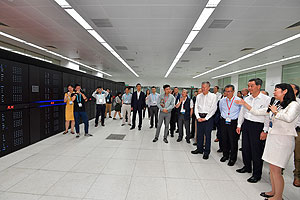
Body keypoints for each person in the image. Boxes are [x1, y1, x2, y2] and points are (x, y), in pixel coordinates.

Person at [235, 83, 300, 200]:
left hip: (283, 140)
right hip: (273, 138)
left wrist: (275, 112)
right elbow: (257, 112)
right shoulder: (278, 104)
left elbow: (289, 118)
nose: (274, 92)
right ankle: (273, 191)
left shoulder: (294, 104)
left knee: (277, 170)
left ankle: (278, 197)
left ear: (285, 91)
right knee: (272, 168)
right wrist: (244, 104)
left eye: (276, 90)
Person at [236, 78, 270, 183]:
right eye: (248, 86)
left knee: (256, 151)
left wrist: (265, 130)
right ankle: (247, 167)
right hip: (247, 124)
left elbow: (267, 116)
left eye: (251, 86)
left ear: (258, 86)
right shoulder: (247, 98)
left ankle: (256, 174)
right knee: (245, 148)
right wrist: (239, 124)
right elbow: (242, 112)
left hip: (258, 126)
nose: (249, 88)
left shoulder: (266, 99)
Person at [191, 81, 217, 160]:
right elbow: (196, 108)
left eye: (205, 87)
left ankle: (206, 152)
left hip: (208, 118)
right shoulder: (199, 96)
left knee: (208, 136)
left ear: (209, 88)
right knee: (199, 134)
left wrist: (206, 118)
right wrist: (198, 117)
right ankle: (199, 149)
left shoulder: (213, 96)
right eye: (202, 87)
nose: (203, 89)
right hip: (199, 117)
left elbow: (213, 108)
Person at [219, 85, 242, 166]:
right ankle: (225, 155)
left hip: (233, 122)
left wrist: (239, 125)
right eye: (226, 91)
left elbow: (241, 113)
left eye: (229, 91)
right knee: (224, 139)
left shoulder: (238, 100)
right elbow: (221, 110)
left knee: (233, 141)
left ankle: (233, 158)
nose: (227, 93)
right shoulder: (222, 101)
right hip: (224, 121)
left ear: (233, 91)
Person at [291, 83, 300, 187]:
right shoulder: (282, 102)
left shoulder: (298, 103)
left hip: (297, 131)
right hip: (284, 131)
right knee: (281, 152)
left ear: (296, 91)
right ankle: (279, 172)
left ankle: (297, 176)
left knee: (298, 155)